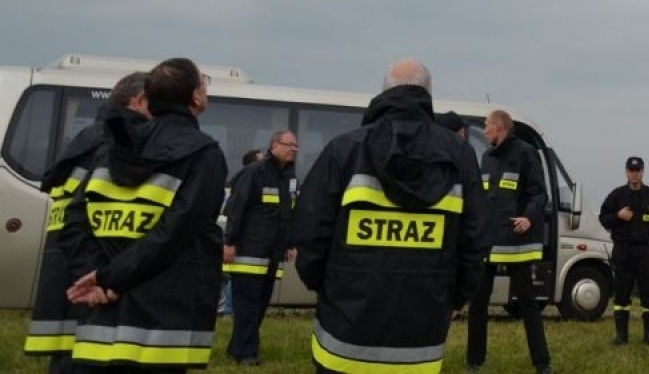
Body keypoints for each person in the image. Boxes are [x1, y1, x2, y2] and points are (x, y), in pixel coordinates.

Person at [291, 59, 488, 374]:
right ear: (428, 93)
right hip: (420, 342)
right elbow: (475, 239)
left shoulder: (345, 149)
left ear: (384, 92)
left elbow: (309, 232)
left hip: (344, 336)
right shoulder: (460, 155)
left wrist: (328, 288)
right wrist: (455, 298)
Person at [58, 57, 226, 371]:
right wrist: (106, 278)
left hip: (101, 316)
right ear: (196, 97)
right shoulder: (204, 154)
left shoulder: (111, 148)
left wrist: (94, 276)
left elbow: (73, 221)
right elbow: (175, 234)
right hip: (163, 324)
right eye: (203, 83)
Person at [23, 70, 148, 373]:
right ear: (140, 100)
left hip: (68, 264)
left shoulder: (88, 136)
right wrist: (101, 275)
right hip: (88, 269)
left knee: (69, 355)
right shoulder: (116, 140)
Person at [466, 108, 553, 374]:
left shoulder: (526, 153)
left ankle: (542, 363)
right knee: (478, 303)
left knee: (528, 304)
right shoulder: (487, 157)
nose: (484, 131)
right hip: (488, 242)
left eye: (486, 126)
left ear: (499, 127)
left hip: (516, 244)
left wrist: (528, 218)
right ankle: (474, 361)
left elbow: (539, 194)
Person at [221, 130, 298, 365]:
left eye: (296, 146)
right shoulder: (255, 172)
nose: (293, 149)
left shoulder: (288, 178)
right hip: (249, 252)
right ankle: (246, 354)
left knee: (260, 305)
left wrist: (289, 243)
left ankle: (237, 348)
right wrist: (230, 243)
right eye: (288, 145)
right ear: (274, 145)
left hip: (273, 253)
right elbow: (236, 208)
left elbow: (287, 214)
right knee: (247, 305)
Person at [599, 155, 649, 346]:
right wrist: (618, 215)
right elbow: (603, 218)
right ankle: (621, 335)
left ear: (643, 171)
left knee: (648, 296)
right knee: (621, 296)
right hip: (623, 251)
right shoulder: (616, 195)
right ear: (626, 172)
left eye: (638, 170)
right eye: (631, 170)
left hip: (645, 253)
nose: (635, 174)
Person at [218, 149, 263, 318]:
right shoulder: (247, 181)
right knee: (233, 275)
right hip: (239, 237)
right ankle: (228, 311)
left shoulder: (252, 182)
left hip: (246, 237)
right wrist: (230, 241)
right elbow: (235, 213)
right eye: (261, 161)